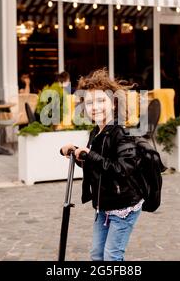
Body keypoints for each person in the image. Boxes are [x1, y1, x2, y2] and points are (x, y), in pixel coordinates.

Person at [60, 69, 143, 261]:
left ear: (113, 104)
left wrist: (91, 156)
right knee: (96, 255)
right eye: (89, 103)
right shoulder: (95, 133)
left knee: (112, 256)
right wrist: (78, 155)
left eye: (100, 101)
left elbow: (122, 171)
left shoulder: (122, 134)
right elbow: (97, 165)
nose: (95, 107)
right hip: (104, 205)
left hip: (124, 206)